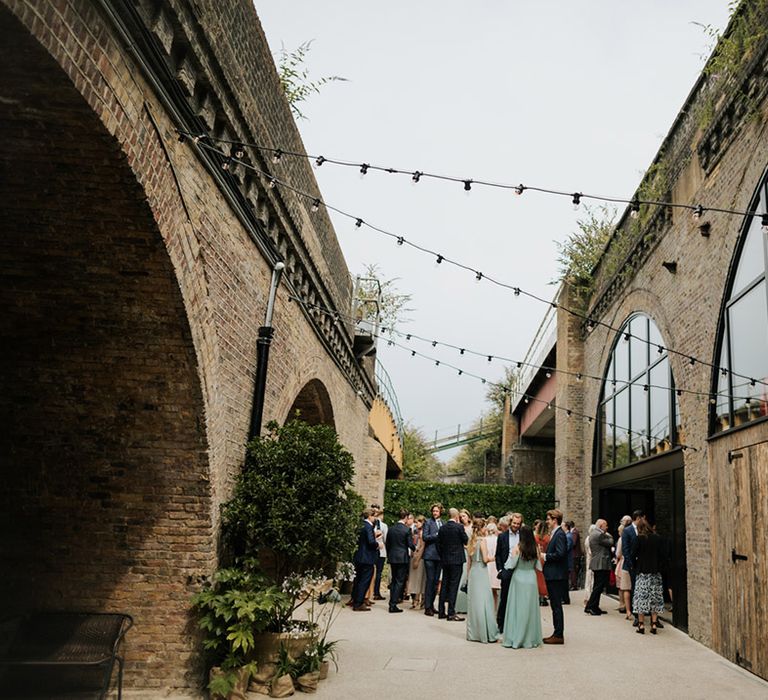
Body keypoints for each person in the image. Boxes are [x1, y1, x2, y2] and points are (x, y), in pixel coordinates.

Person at [501, 524, 543, 648]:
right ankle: (530, 638)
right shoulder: (536, 548)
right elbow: (538, 566)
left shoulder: (518, 547)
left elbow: (510, 565)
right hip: (531, 578)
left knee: (517, 609)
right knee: (530, 609)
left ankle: (515, 637)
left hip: (519, 578)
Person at [465, 518, 499, 643]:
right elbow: (485, 559)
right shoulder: (482, 541)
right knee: (485, 602)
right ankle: (487, 633)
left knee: (475, 603)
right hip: (481, 572)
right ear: (481, 528)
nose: (486, 530)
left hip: (473, 572)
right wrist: (495, 558)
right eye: (484, 527)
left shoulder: (471, 541)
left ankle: (474, 633)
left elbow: (469, 562)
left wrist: (468, 577)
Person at [633, 520, 667, 634]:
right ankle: (653, 624)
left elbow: (633, 554)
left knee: (641, 598)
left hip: (642, 572)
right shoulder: (657, 538)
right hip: (655, 572)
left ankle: (641, 625)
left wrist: (635, 566)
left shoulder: (638, 539)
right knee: (655, 598)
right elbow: (663, 555)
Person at [540, 508, 568, 644]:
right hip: (553, 574)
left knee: (556, 606)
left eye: (549, 519)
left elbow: (561, 553)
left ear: (555, 520)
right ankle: (557, 633)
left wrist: (545, 556)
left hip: (556, 575)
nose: (547, 522)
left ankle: (558, 634)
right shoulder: (556, 534)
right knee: (555, 605)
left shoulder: (560, 534)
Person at [437, 508, 468, 621]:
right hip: (457, 560)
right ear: (456, 517)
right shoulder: (459, 527)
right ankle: (451, 612)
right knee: (453, 586)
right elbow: (466, 540)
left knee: (444, 584)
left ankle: (441, 611)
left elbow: (438, 544)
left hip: (445, 560)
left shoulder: (442, 528)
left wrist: (442, 556)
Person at [495, 512, 523, 631]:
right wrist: (501, 570)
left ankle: (516, 623)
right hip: (506, 570)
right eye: (514, 523)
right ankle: (501, 624)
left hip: (520, 570)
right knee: (505, 598)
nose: (516, 525)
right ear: (510, 522)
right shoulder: (502, 536)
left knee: (518, 598)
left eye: (518, 524)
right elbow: (498, 555)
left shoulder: (523, 536)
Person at [351, 507, 382, 611]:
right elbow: (371, 542)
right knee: (365, 580)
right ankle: (359, 603)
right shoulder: (368, 526)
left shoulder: (360, 525)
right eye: (374, 516)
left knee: (358, 579)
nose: (375, 519)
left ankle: (355, 600)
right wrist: (378, 544)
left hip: (359, 556)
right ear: (370, 516)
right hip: (367, 557)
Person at [386, 509, 415, 613]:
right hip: (402, 557)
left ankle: (391, 602)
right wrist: (416, 549)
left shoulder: (391, 529)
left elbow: (387, 544)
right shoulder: (406, 530)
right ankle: (393, 604)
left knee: (394, 580)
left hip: (393, 557)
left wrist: (390, 554)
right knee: (399, 581)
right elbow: (410, 545)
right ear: (406, 518)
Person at [584, 518, 614, 615]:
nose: (607, 527)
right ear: (601, 526)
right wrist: (609, 535)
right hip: (600, 563)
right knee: (598, 586)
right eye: (606, 525)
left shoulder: (594, 533)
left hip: (597, 563)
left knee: (598, 586)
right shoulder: (599, 534)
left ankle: (593, 606)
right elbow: (610, 542)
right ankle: (591, 606)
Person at [622, 509, 645, 626]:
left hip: (643, 565)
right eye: (643, 518)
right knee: (635, 589)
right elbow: (625, 549)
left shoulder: (644, 530)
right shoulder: (627, 531)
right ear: (639, 518)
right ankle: (636, 615)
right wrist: (631, 565)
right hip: (632, 565)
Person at [422, 502, 444, 617]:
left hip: (440, 556)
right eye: (433, 511)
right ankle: (427, 607)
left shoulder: (443, 523)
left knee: (436, 582)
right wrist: (437, 535)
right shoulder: (428, 522)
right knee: (430, 581)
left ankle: (432, 605)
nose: (435, 513)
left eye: (437, 511)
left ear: (440, 511)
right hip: (430, 556)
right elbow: (425, 537)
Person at [454, 509, 473, 614]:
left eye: (464, 516)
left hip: (471, 554)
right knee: (461, 579)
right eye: (460, 516)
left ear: (468, 516)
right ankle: (459, 606)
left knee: (468, 579)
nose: (462, 518)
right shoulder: (459, 527)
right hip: (462, 554)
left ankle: (468, 606)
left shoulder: (472, 527)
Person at [615, 515, 632, 619]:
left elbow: (618, 553)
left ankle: (624, 606)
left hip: (623, 562)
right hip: (628, 562)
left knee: (623, 586)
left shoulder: (622, 539)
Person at [407, 515, 426, 608]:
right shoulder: (416, 532)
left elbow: (422, 547)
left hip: (419, 558)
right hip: (414, 555)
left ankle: (418, 600)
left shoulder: (422, 533)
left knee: (419, 579)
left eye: (418, 522)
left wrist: (417, 559)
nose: (416, 523)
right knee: (415, 579)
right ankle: (416, 599)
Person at [372, 505, 388, 601]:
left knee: (378, 572)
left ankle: (376, 592)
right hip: (372, 550)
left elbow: (386, 539)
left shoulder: (383, 526)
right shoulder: (371, 525)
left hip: (381, 552)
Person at [533, 519, 549, 606]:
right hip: (545, 558)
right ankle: (544, 596)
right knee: (544, 578)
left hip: (538, 558)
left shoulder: (535, 537)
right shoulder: (547, 538)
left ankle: (539, 596)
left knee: (538, 578)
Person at [485, 522, 500, 609]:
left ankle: (488, 608)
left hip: (487, 564)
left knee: (487, 590)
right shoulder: (498, 539)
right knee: (494, 591)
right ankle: (494, 608)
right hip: (495, 565)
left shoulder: (485, 539)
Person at [567, 520, 583, 591]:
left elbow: (573, 543)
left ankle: (574, 585)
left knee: (573, 570)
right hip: (575, 554)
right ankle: (573, 584)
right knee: (573, 570)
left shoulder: (574, 532)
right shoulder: (574, 532)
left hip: (575, 554)